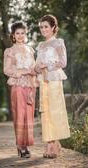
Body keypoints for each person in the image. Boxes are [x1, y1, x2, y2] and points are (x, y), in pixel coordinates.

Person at [35, 14, 70, 158]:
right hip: (43, 81)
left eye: (46, 27)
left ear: (53, 28)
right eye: (41, 27)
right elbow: (37, 65)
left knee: (55, 111)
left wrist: (46, 65)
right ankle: (49, 143)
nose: (43, 30)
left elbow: (63, 62)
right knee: (46, 112)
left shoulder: (58, 43)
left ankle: (55, 143)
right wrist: (37, 67)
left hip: (54, 80)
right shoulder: (41, 45)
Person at [3, 21, 37, 158]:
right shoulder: (10, 51)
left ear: (25, 33)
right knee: (19, 115)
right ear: (13, 35)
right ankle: (20, 146)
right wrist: (23, 71)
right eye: (17, 33)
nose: (20, 35)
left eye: (23, 33)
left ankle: (26, 145)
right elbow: (6, 69)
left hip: (30, 86)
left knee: (28, 116)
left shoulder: (31, 50)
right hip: (17, 86)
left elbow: (34, 69)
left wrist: (33, 77)